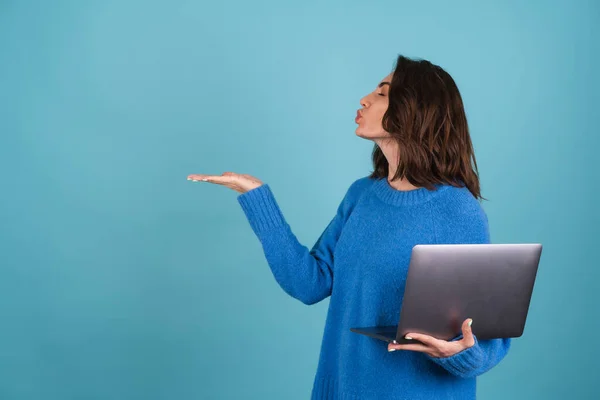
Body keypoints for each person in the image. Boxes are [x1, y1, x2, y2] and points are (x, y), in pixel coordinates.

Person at [187, 54, 511, 399]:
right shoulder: (361, 195)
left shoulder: (458, 210)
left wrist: (460, 353)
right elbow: (309, 283)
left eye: (383, 92)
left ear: (416, 110)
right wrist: (256, 197)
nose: (365, 99)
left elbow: (486, 337)